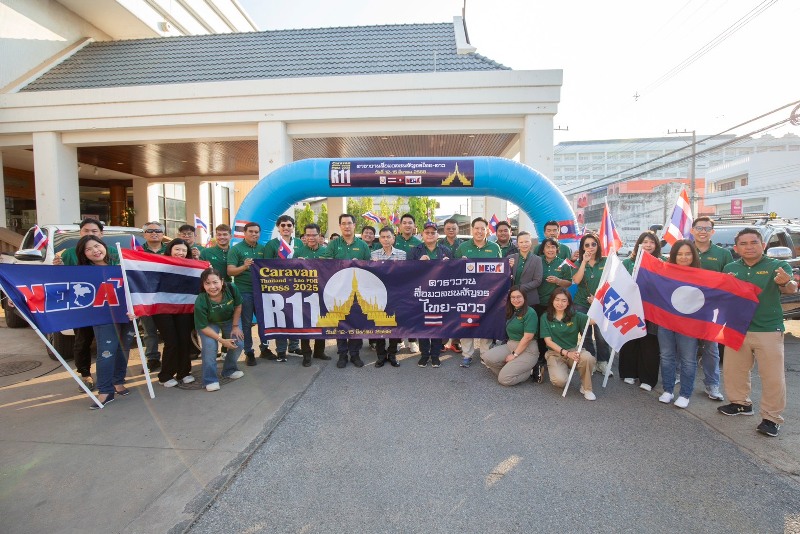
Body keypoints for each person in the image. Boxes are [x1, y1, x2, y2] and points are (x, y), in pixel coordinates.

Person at [719, 228, 797, 437]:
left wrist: (785, 282)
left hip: (768, 329)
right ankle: (740, 403)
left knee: (772, 377)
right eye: (743, 244)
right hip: (737, 328)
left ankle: (771, 418)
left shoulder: (777, 266)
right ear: (736, 248)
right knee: (734, 371)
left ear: (763, 245)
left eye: (754, 242)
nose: (749, 247)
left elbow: (791, 288)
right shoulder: (730, 268)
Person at [53, 218, 117, 390]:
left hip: (110, 307)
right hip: (83, 307)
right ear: (80, 232)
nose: (90, 234)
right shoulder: (67, 254)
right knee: (82, 341)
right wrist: (57, 269)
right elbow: (61, 280)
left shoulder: (113, 251)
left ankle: (113, 377)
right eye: (86, 231)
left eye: (94, 231)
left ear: (101, 234)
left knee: (111, 343)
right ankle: (85, 375)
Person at [76, 235, 134, 409]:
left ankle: (118, 381)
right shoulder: (83, 272)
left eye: (97, 246)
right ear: (84, 254)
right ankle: (105, 391)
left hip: (126, 315)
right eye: (88, 249)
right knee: (106, 352)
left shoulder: (120, 265)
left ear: (104, 246)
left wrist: (136, 309)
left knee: (123, 349)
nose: (95, 251)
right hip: (104, 317)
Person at [691, 216, 733, 401]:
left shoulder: (723, 254)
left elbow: (729, 281)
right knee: (684, 346)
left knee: (711, 348)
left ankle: (712, 385)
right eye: (699, 228)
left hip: (712, 309)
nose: (703, 232)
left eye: (707, 229)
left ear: (712, 232)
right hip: (687, 307)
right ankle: (678, 376)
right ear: (692, 230)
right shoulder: (685, 250)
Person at [321, 213, 372, 368]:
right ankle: (342, 354)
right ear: (340, 226)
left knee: (356, 322)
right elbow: (326, 264)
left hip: (358, 291)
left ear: (354, 225)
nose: (346, 226)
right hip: (338, 290)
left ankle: (355, 354)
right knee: (341, 323)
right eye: (343, 223)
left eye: (349, 223)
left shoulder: (362, 245)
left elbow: (369, 267)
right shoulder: (334, 244)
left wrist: (360, 264)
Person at [657, 240, 702, 409]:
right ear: (674, 256)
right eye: (680, 254)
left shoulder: (701, 275)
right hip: (666, 321)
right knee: (666, 356)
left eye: (688, 254)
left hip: (689, 325)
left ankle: (685, 394)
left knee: (688, 360)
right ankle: (668, 390)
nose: (684, 257)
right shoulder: (665, 273)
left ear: (694, 255)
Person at [454, 217, 501, 367]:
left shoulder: (495, 247)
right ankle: (467, 355)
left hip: (488, 293)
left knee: (486, 322)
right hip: (467, 293)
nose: (479, 231)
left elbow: (501, 270)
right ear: (472, 229)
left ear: (487, 230)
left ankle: (485, 354)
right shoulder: (463, 247)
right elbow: (453, 270)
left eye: (482, 228)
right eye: (477, 228)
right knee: (467, 322)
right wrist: (460, 263)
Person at [618, 231, 661, 391]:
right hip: (632, 309)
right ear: (639, 244)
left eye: (652, 242)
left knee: (650, 343)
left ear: (656, 245)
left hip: (652, 310)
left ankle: (647, 379)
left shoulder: (661, 263)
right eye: (645, 242)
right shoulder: (628, 263)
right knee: (630, 341)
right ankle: (629, 372)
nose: (648, 245)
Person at [152, 238, 196, 388]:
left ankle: (184, 372)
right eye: (177, 249)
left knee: (184, 340)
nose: (180, 253)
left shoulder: (191, 267)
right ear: (170, 250)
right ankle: (165, 375)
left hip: (183, 308)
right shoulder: (159, 264)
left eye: (184, 250)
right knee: (171, 341)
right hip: (162, 309)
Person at [540, 288, 597, 401]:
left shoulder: (575, 315)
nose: (560, 303)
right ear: (552, 300)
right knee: (560, 381)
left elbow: (593, 321)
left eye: (564, 300)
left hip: (573, 350)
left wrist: (595, 304)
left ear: (568, 302)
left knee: (588, 358)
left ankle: (586, 388)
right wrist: (566, 353)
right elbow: (548, 341)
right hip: (554, 353)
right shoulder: (545, 317)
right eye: (557, 299)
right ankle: (561, 368)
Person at [194, 268, 245, 392]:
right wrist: (221, 340)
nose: (212, 287)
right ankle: (210, 379)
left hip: (230, 319)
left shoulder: (231, 288)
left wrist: (235, 326)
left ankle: (229, 370)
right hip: (209, 324)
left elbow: (238, 305)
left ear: (222, 281)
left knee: (238, 342)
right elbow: (203, 327)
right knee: (210, 347)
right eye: (207, 283)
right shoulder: (201, 300)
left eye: (215, 282)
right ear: (203, 285)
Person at [410, 221, 452, 367]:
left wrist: (448, 265)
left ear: (437, 235)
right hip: (421, 293)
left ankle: (435, 355)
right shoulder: (415, 251)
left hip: (439, 294)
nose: (430, 235)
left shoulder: (445, 250)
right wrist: (418, 263)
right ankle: (424, 354)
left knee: (436, 324)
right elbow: (406, 272)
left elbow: (453, 274)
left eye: (433, 232)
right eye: (427, 232)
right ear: (422, 234)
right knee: (422, 325)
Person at [531, 237, 572, 381]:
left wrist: (558, 281)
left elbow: (569, 282)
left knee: (552, 331)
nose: (550, 250)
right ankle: (540, 357)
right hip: (537, 302)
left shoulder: (563, 263)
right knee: (539, 331)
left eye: (553, 247)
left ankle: (555, 357)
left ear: (557, 249)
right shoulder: (537, 260)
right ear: (543, 249)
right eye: (547, 247)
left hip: (555, 304)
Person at [262, 214, 302, 361]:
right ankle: (280, 350)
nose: (286, 228)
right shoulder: (272, 244)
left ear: (293, 228)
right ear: (278, 228)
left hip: (296, 286)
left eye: (289, 225)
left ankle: (294, 346)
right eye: (283, 225)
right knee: (281, 318)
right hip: (277, 287)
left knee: (295, 317)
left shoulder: (299, 243)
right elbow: (265, 266)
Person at [480, 286, 539, 386]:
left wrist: (514, 355)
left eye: (519, 297)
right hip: (511, 345)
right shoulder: (511, 310)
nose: (516, 300)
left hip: (527, 349)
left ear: (524, 297)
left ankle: (530, 371)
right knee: (487, 357)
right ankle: (510, 371)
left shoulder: (530, 313)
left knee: (504, 380)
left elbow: (528, 337)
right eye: (513, 297)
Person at [571, 232, 611, 376]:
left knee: (601, 335)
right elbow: (576, 280)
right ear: (582, 247)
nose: (590, 247)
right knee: (586, 334)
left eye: (593, 244)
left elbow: (611, 283)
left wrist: (598, 299)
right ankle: (591, 361)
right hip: (582, 302)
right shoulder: (578, 263)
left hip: (601, 303)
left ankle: (603, 362)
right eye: (586, 245)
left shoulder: (606, 261)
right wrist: (583, 262)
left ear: (598, 245)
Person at [227, 221, 267, 366]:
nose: (254, 234)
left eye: (256, 232)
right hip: (244, 292)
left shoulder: (263, 248)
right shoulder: (236, 249)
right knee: (247, 323)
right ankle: (249, 352)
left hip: (262, 291)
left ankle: (265, 348)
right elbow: (230, 271)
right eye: (251, 231)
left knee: (264, 321)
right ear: (244, 233)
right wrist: (244, 266)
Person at [294, 223, 331, 366]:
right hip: (304, 293)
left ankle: (319, 351)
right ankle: (306, 354)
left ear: (319, 235)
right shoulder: (298, 252)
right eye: (308, 235)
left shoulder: (326, 251)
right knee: (305, 324)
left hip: (322, 292)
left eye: (314, 235)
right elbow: (291, 273)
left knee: (322, 322)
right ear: (304, 236)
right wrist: (297, 264)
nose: (311, 238)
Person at [370, 227, 406, 367]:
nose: (386, 239)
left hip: (396, 294)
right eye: (383, 237)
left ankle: (392, 354)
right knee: (379, 325)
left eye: (388, 237)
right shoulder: (374, 254)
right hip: (378, 295)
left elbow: (405, 274)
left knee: (394, 324)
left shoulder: (402, 254)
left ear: (393, 238)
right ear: (379, 239)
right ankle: (380, 355)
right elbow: (372, 274)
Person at [393, 213, 423, 354]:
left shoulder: (418, 243)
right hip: (396, 282)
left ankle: (412, 340)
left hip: (413, 282)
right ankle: (399, 340)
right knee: (397, 312)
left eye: (410, 223)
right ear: (400, 226)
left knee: (412, 312)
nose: (407, 225)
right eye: (404, 222)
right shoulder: (394, 240)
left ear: (414, 226)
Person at [139, 221, 166, 372]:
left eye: (158, 231)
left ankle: (170, 357)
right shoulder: (137, 251)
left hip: (167, 297)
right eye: (150, 231)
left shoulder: (171, 250)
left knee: (169, 330)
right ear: (144, 234)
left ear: (163, 234)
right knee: (149, 330)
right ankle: (152, 359)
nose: (154, 233)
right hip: (146, 296)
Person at [439, 218, 463, 354]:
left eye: (454, 228)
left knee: (458, 312)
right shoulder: (438, 244)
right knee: (444, 312)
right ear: (444, 229)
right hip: (443, 285)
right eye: (448, 228)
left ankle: (456, 342)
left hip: (460, 284)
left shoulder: (463, 245)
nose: (451, 230)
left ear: (458, 229)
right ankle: (442, 341)